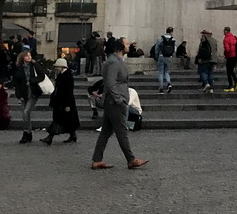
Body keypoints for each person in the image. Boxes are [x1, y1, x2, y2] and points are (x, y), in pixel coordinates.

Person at [90, 37, 148, 170]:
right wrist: (119, 99)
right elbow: (110, 83)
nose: (129, 46)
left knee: (105, 132)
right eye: (127, 44)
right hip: (114, 102)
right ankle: (131, 159)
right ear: (121, 47)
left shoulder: (116, 60)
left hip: (113, 101)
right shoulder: (114, 62)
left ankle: (97, 160)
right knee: (122, 131)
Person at [41, 57, 80, 145]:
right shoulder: (62, 75)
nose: (56, 68)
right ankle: (72, 135)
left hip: (64, 102)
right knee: (68, 119)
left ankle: (50, 137)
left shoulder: (67, 76)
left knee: (58, 119)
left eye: (57, 67)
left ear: (62, 67)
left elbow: (69, 91)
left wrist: (67, 105)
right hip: (61, 101)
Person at [13, 49, 47, 144]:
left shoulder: (35, 66)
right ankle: (28, 133)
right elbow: (17, 82)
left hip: (33, 92)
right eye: (27, 56)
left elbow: (42, 76)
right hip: (23, 93)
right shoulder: (19, 68)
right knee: (25, 115)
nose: (29, 57)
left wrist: (32, 80)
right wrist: (18, 94)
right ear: (23, 57)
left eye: (30, 56)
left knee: (26, 112)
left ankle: (26, 132)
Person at [195, 30, 217, 95]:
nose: (202, 35)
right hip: (213, 59)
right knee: (210, 74)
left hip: (205, 59)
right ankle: (211, 89)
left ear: (207, 34)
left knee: (202, 72)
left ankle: (206, 83)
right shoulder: (214, 40)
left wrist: (199, 57)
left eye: (203, 33)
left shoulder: (204, 40)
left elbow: (201, 50)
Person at [155, 27, 176, 94]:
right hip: (169, 57)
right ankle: (169, 83)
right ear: (171, 32)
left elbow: (157, 48)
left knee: (161, 72)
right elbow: (175, 49)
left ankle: (161, 89)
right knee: (167, 72)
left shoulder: (161, 38)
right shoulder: (173, 39)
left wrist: (157, 56)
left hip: (161, 56)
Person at [223, 26, 237, 92]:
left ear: (225, 31)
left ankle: (231, 86)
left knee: (228, 71)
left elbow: (227, 49)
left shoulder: (226, 39)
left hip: (230, 56)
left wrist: (225, 54)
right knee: (231, 70)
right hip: (235, 56)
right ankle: (236, 82)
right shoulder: (234, 37)